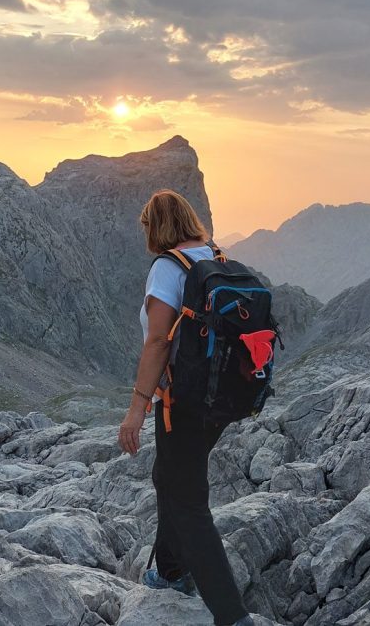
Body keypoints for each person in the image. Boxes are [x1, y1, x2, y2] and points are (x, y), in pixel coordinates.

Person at [118, 190, 254, 626]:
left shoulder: (167, 268)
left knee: (188, 502)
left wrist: (137, 408)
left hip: (182, 400)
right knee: (170, 476)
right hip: (221, 396)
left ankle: (232, 616)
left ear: (154, 228)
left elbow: (158, 340)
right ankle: (173, 571)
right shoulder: (214, 254)